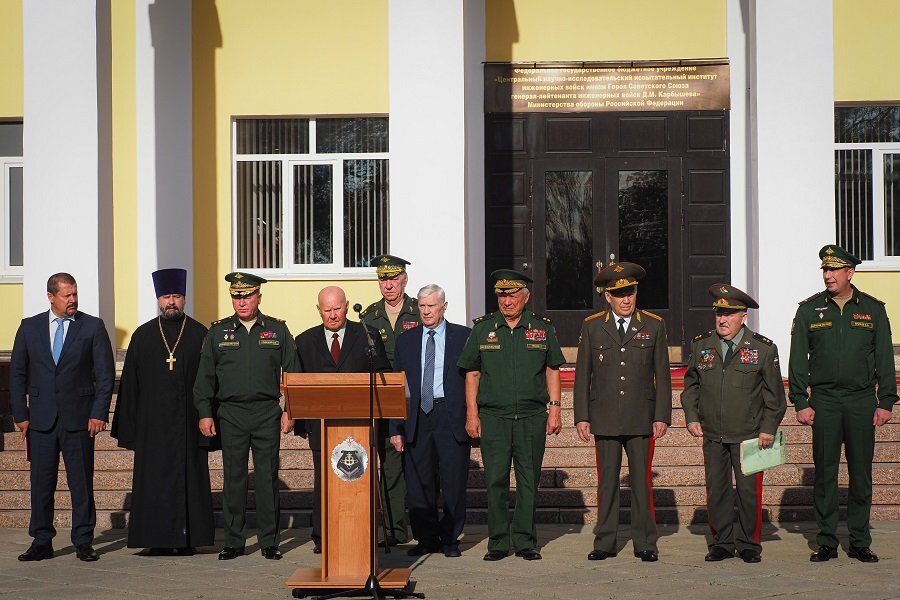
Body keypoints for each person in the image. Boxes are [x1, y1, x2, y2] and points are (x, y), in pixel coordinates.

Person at [789, 245, 897, 563]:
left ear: (850, 273)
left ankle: (860, 540)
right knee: (825, 473)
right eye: (825, 270)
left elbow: (883, 359)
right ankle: (826, 541)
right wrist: (800, 400)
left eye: (834, 270)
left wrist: (886, 400)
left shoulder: (873, 310)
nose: (828, 275)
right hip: (824, 402)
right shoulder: (809, 310)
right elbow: (798, 360)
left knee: (861, 474)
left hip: (862, 400)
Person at [457, 269, 565, 561]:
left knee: (529, 480)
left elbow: (552, 369)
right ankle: (498, 542)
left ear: (525, 297)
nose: (507, 301)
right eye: (502, 295)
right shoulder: (483, 329)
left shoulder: (542, 328)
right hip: (494, 418)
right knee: (495, 481)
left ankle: (526, 541)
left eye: (513, 295)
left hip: (532, 417)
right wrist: (472, 414)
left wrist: (555, 409)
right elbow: (472, 373)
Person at [193, 272, 300, 561]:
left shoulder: (277, 330)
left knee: (267, 479)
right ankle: (234, 541)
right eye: (236, 296)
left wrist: (290, 409)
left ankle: (269, 541)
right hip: (231, 414)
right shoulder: (218, 332)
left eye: (247, 295)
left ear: (258, 297)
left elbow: (293, 373)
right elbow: (205, 377)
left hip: (267, 413)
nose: (242, 302)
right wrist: (205, 413)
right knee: (234, 479)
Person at [10, 273, 115, 562]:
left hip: (79, 420)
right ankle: (41, 541)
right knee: (41, 483)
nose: (73, 300)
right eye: (67, 295)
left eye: (75, 294)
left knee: (81, 482)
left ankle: (83, 541)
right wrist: (21, 414)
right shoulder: (29, 328)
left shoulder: (92, 326)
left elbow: (105, 375)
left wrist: (98, 413)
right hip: (40, 421)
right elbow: (17, 373)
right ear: (50, 297)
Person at [111, 268, 214, 555]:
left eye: (177, 296)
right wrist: (130, 429)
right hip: (152, 427)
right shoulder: (143, 336)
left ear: (184, 298)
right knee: (153, 481)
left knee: (189, 480)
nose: (171, 302)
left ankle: (187, 540)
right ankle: (155, 539)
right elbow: (130, 384)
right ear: (158, 299)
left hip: (188, 423)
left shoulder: (199, 334)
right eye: (167, 296)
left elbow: (209, 380)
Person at [573, 262, 671, 563]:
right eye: (619, 294)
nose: (626, 299)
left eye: (630, 292)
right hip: (604, 418)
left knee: (641, 482)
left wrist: (661, 415)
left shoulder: (653, 325)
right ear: (607, 297)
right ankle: (605, 541)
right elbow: (582, 375)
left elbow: (663, 375)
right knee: (607, 482)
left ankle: (645, 542)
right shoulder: (592, 326)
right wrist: (582, 416)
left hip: (641, 417)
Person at [681, 284, 786, 563]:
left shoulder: (763, 349)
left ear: (744, 316)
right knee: (717, 490)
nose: (722, 320)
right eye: (719, 313)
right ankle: (722, 542)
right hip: (713, 433)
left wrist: (768, 428)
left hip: (750, 434)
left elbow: (775, 396)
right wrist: (692, 416)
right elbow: (690, 386)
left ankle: (749, 543)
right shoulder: (702, 345)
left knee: (749, 492)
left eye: (729, 314)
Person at [294, 285, 390, 553]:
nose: (333, 315)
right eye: (328, 310)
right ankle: (322, 537)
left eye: (338, 308)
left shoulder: (368, 335)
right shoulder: (304, 341)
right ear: (318, 310)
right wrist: (300, 422)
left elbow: (383, 374)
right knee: (323, 481)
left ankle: (362, 533)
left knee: (359, 480)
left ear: (347, 306)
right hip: (321, 425)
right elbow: (298, 384)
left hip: (359, 424)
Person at [391, 284, 472, 558]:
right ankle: (425, 539)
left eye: (431, 306)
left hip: (450, 415)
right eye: (422, 306)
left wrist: (474, 416)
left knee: (453, 480)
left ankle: (450, 538)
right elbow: (396, 388)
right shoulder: (406, 341)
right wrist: (396, 428)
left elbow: (475, 379)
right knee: (418, 481)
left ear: (444, 307)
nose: (426, 311)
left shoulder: (464, 337)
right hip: (417, 417)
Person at [360, 254, 419, 546]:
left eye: (393, 278)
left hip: (417, 397)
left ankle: (425, 527)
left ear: (404, 279)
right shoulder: (368, 317)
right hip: (384, 399)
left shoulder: (419, 311)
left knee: (421, 463)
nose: (388, 284)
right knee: (391, 465)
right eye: (383, 279)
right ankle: (395, 530)